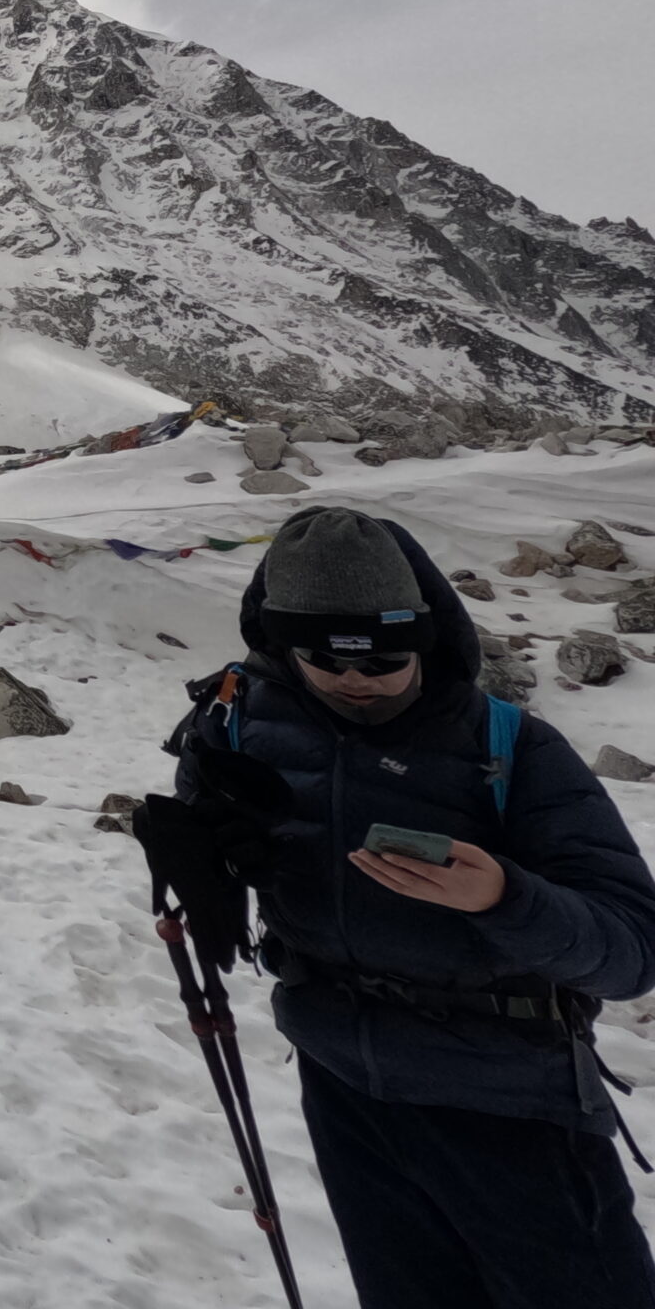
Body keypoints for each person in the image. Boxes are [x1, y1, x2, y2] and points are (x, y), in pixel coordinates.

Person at [164, 504, 655, 1308]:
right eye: (323, 660)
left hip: (509, 1100)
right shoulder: (237, 723)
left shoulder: (511, 749)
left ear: (426, 640)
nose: (355, 681)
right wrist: (203, 858)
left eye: (385, 660)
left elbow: (635, 949)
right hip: (345, 1086)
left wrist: (503, 896)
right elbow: (213, 835)